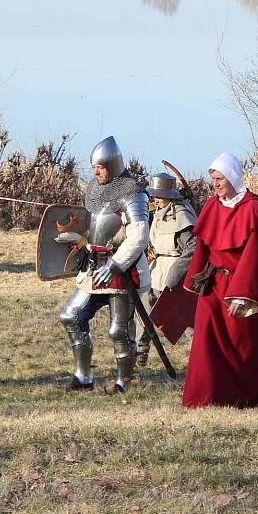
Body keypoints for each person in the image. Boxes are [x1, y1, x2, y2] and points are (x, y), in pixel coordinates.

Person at [182, 152, 258, 408]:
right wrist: (195, 279)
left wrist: (242, 294)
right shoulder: (212, 206)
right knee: (206, 339)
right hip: (213, 285)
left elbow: (253, 258)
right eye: (213, 179)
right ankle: (206, 396)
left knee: (243, 345)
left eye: (220, 178)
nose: (216, 184)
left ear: (232, 177)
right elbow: (203, 246)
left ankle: (247, 396)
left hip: (241, 287)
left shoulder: (253, 210)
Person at [56, 136, 151, 393]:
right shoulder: (94, 192)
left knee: (118, 330)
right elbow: (94, 230)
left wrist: (114, 266)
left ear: (114, 165)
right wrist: (75, 239)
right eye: (94, 167)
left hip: (122, 270)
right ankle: (83, 377)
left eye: (100, 167)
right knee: (71, 316)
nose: (96, 172)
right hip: (93, 269)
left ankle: (124, 383)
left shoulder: (133, 195)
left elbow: (139, 236)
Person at [135, 173, 197, 366]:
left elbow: (193, 248)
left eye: (159, 195)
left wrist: (176, 275)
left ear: (170, 195)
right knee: (144, 311)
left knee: (184, 318)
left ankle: (202, 355)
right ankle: (140, 353)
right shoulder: (160, 211)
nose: (155, 199)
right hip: (157, 270)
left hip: (176, 273)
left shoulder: (181, 215)